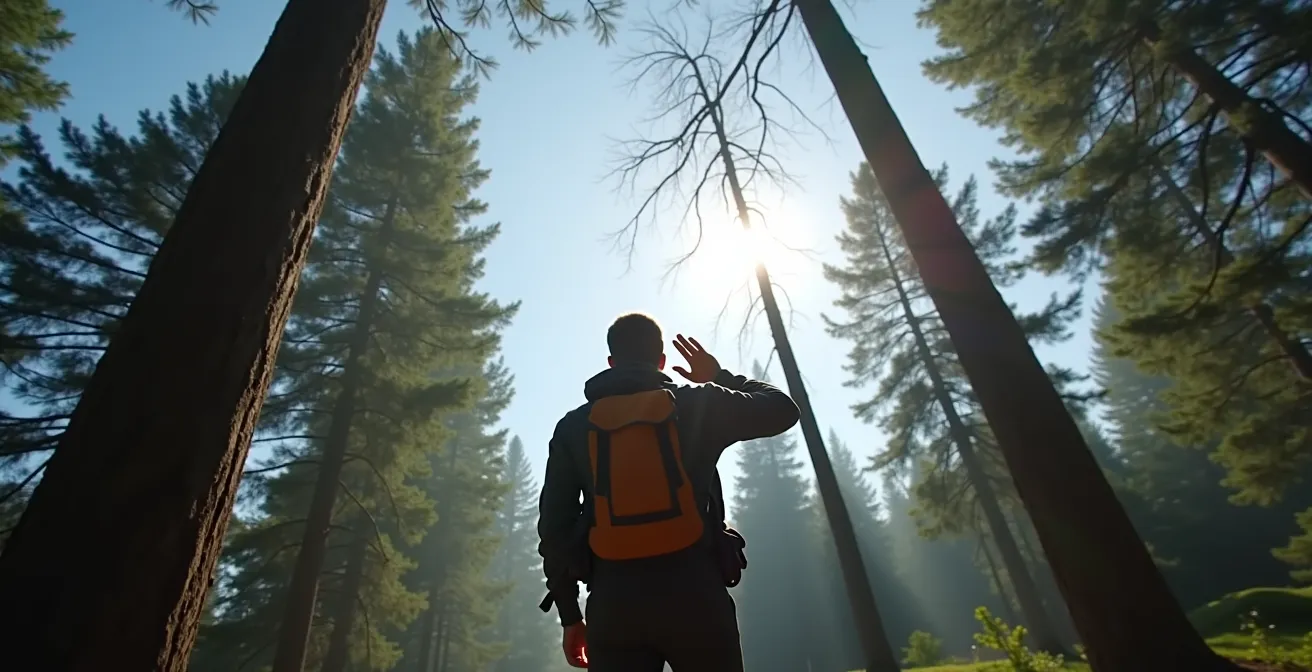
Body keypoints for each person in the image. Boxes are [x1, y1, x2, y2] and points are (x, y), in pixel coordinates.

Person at [536, 312, 801, 671]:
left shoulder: (573, 428)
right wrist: (718, 377)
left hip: (615, 605)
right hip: (697, 597)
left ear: (611, 363)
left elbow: (555, 530)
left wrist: (570, 616)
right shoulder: (698, 404)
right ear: (661, 361)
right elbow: (783, 409)